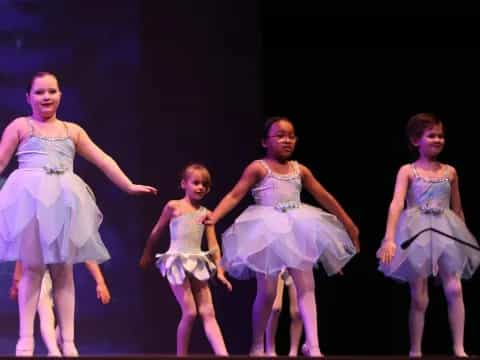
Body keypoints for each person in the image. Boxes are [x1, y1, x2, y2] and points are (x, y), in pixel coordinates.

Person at [0, 71, 157, 356]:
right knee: (33, 268)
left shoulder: (72, 131)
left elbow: (102, 159)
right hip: (29, 200)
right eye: (39, 92)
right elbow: (0, 160)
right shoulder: (20, 126)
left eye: (52, 91)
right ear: (28, 98)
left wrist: (128, 185)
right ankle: (25, 339)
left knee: (63, 270)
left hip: (63, 202)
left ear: (60, 94)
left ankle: (69, 341)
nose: (46, 97)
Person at [204, 116, 360, 356]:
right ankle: (257, 343)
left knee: (307, 287)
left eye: (291, 136)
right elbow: (236, 195)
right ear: (265, 142)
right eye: (280, 136)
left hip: (299, 228)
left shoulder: (300, 170)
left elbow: (323, 196)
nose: (287, 140)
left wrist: (348, 222)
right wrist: (215, 215)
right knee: (267, 293)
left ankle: (314, 346)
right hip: (267, 231)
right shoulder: (258, 168)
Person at [376, 113, 480, 358]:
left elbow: (457, 208)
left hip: (445, 229)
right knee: (419, 295)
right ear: (415, 141)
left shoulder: (451, 172)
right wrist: (389, 238)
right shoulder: (408, 171)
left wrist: (463, 239)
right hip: (417, 231)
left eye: (441, 135)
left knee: (454, 288)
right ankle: (415, 350)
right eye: (431, 135)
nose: (437, 139)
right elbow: (396, 204)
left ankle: (459, 347)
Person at [140, 163, 232, 356]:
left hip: (197, 262)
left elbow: (213, 245)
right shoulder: (174, 206)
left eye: (204, 184)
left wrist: (220, 271)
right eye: (196, 183)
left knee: (208, 312)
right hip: (177, 262)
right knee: (190, 312)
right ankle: (181, 355)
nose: (200, 187)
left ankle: (223, 354)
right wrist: (147, 253)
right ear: (184, 184)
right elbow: (157, 231)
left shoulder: (206, 213)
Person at [9, 261, 111, 356]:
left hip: (54, 276)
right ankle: (55, 350)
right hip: (42, 277)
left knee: (54, 318)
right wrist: (16, 280)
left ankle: (59, 346)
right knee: (48, 316)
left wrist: (100, 282)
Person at [264, 268, 304, 356]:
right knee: (275, 307)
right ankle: (270, 348)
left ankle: (293, 351)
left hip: (293, 265)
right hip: (278, 265)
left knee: (297, 311)